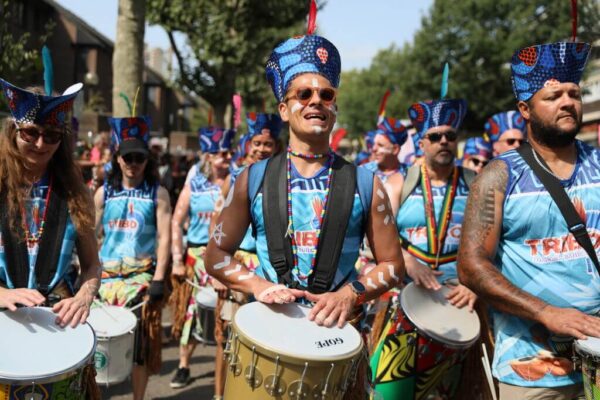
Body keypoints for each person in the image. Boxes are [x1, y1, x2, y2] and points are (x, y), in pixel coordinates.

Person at [205, 11, 404, 399]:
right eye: (304, 94)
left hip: (338, 342)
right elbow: (216, 255)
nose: (316, 101)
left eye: (326, 95)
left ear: (335, 108)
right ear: (284, 109)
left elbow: (393, 266)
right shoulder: (253, 177)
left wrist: (351, 294)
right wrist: (259, 286)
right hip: (269, 339)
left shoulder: (367, 182)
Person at [458, 39, 598, 399]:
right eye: (552, 97)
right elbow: (472, 266)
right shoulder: (499, 176)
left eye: (573, 93)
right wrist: (546, 312)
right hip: (532, 370)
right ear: (525, 108)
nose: (567, 102)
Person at [0, 75, 101, 397]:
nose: (41, 144)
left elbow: (92, 265)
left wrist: (84, 297)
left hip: (57, 326)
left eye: (52, 136)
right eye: (31, 133)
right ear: (14, 131)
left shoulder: (76, 193)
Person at [94, 116, 171, 400]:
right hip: (105, 281)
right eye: (128, 157)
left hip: (140, 281)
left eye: (139, 157)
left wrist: (160, 278)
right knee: (100, 346)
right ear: (117, 159)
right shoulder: (104, 193)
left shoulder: (158, 193)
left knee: (140, 349)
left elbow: (165, 238)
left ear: (147, 160)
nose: (133, 163)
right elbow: (89, 236)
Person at [169, 126, 234, 390]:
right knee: (191, 315)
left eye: (229, 152)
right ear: (207, 156)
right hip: (196, 256)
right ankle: (183, 364)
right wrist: (176, 258)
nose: (227, 157)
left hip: (227, 256)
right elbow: (176, 221)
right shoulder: (194, 184)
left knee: (226, 316)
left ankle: (227, 373)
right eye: (221, 153)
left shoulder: (238, 181)